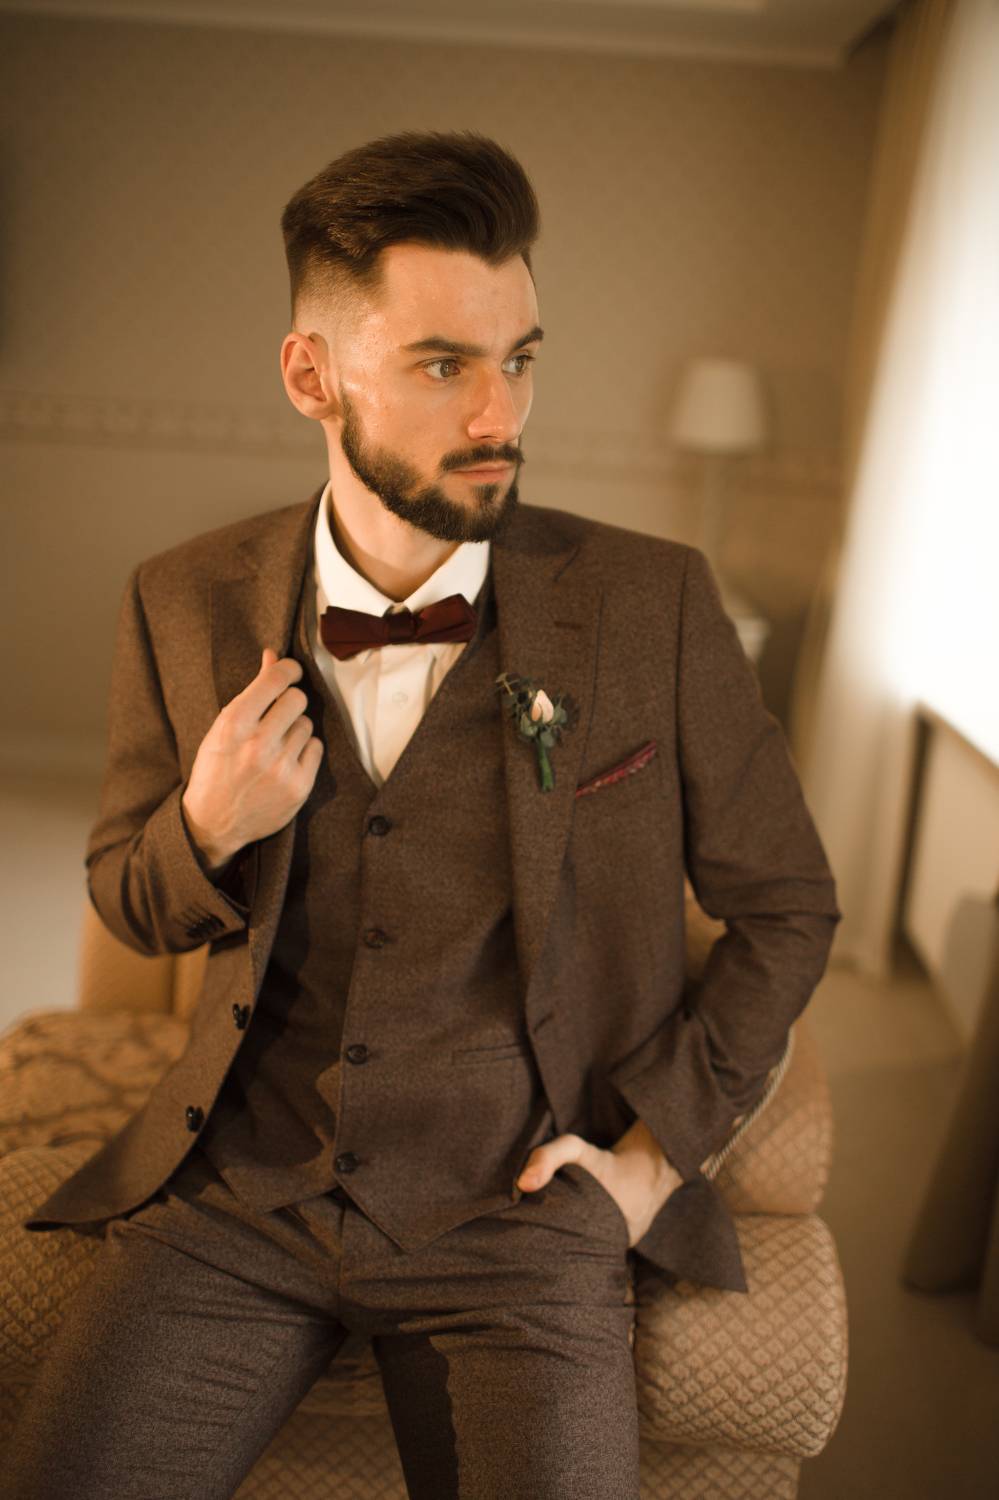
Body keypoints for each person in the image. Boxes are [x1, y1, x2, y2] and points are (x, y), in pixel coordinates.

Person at [9, 129, 842, 1499]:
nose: (500, 413)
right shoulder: (182, 598)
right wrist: (204, 825)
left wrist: (648, 1162)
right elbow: (128, 900)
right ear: (311, 376)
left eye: (520, 358)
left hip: (522, 1216)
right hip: (240, 1202)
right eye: (444, 365)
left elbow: (789, 906)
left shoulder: (654, 604)